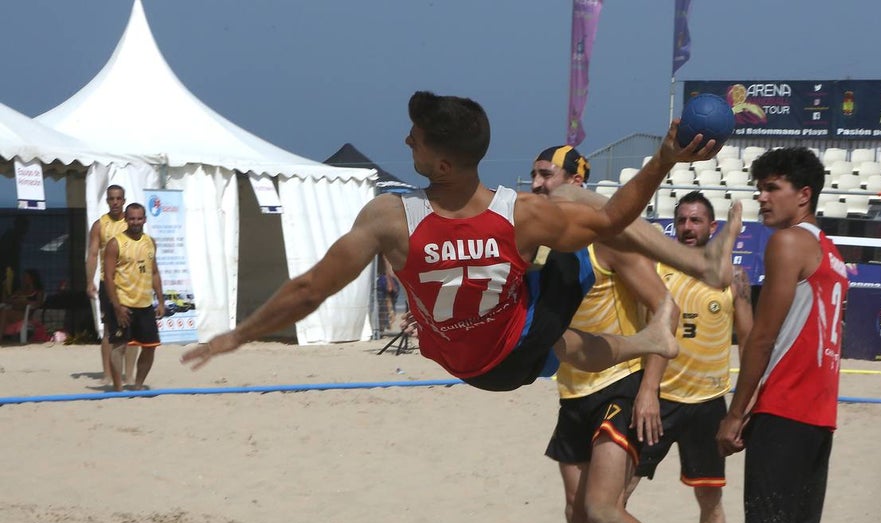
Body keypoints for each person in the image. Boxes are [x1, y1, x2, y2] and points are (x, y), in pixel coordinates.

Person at [182, 91, 733, 389]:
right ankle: (695, 265)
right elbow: (614, 218)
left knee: (560, 342)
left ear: (441, 162)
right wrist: (663, 159)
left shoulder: (388, 219)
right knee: (581, 208)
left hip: (467, 364)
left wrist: (239, 335)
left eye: (415, 141)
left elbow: (308, 291)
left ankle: (649, 338)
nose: (406, 142)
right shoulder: (522, 215)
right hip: (512, 346)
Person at [533, 145, 694, 523]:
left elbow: (666, 308)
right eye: (534, 175)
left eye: (545, 174)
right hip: (573, 388)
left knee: (602, 509)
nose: (536, 183)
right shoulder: (539, 242)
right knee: (578, 520)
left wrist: (650, 387)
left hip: (622, 382)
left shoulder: (607, 238)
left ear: (575, 180)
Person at [716, 147, 848, 523]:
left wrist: (735, 411)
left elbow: (763, 338)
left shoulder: (788, 242)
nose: (762, 198)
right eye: (760, 188)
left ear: (804, 194)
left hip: (786, 406)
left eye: (772, 188)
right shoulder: (832, 251)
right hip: (819, 411)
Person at [635, 191, 753, 523]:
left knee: (710, 499)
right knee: (617, 489)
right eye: (682, 220)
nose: (687, 227)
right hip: (659, 398)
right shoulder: (657, 271)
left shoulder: (732, 278)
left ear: (711, 228)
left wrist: (745, 402)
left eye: (696, 220)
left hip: (707, 403)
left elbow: (749, 340)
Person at [103, 203, 164, 391]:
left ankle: (138, 385)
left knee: (150, 346)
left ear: (145, 219)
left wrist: (161, 300)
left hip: (145, 304)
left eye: (139, 218)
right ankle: (118, 388)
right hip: (124, 303)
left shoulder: (150, 242)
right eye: (131, 218)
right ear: (126, 220)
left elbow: (154, 272)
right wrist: (117, 306)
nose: (135, 222)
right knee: (119, 346)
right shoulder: (116, 243)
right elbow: (108, 277)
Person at [87, 185, 138, 385]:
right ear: (107, 201)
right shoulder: (100, 225)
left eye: (118, 199)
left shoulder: (132, 221)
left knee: (133, 330)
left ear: (124, 200)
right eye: (111, 199)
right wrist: (89, 281)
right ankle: (107, 374)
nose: (115, 202)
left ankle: (130, 375)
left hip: (131, 283)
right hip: (107, 282)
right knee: (109, 330)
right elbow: (92, 254)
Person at [0, 268, 45, 341]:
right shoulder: (21, 291)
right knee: (2, 311)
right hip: (15, 312)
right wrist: (4, 288)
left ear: (32, 278)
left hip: (27, 315)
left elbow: (38, 304)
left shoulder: (38, 291)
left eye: (26, 277)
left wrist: (25, 302)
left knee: (4, 312)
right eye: (23, 277)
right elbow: (6, 301)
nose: (24, 279)